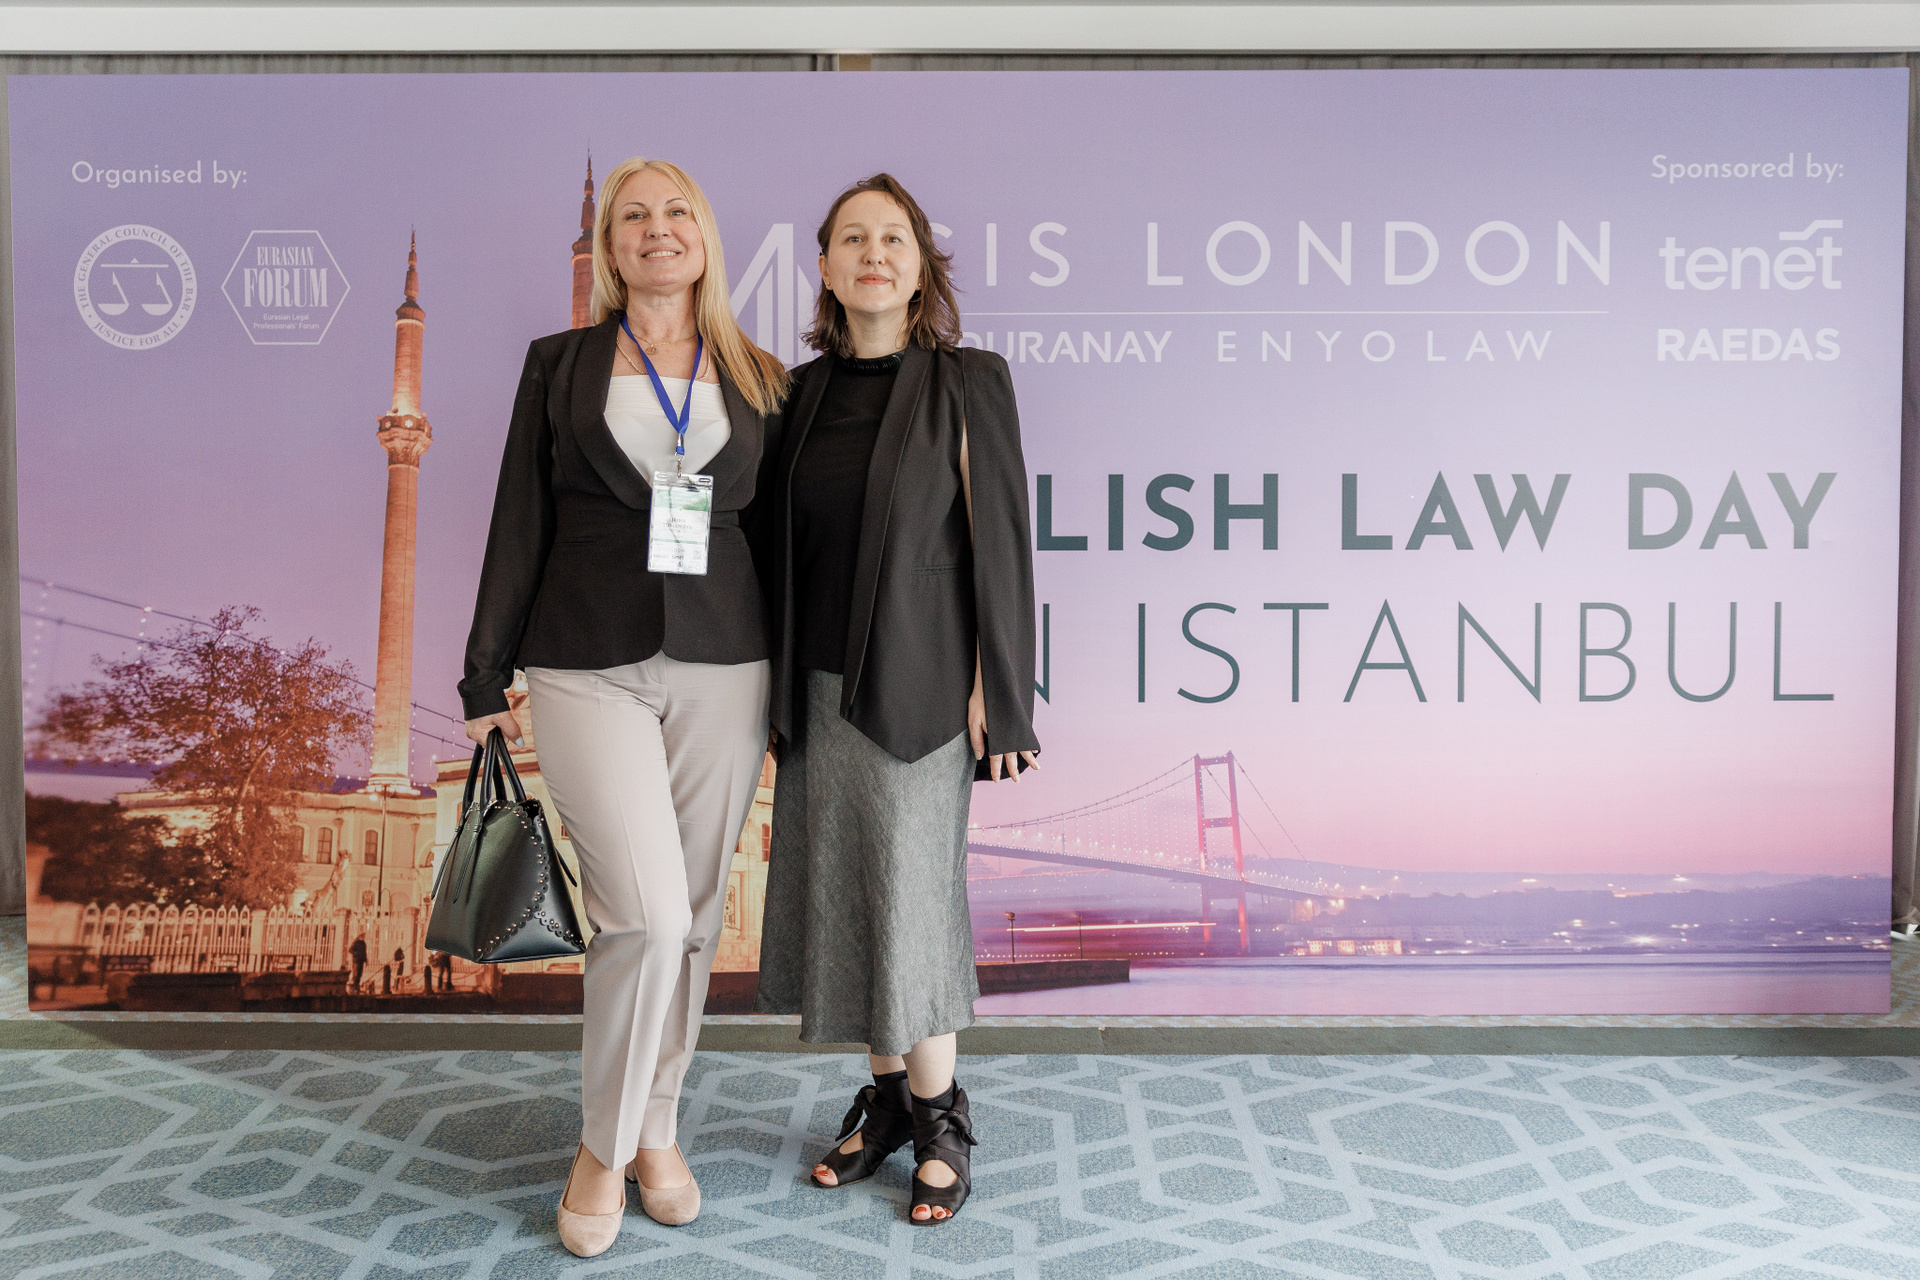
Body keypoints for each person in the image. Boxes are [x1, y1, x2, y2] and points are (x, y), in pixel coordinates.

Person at [459, 156, 787, 1255]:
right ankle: (601, 1149)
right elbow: (517, 517)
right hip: (582, 659)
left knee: (689, 919)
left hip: (726, 662)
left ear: (707, 236)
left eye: (678, 211)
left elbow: (783, 543)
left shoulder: (762, 377)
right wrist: (482, 673)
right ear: (609, 246)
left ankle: (657, 1127)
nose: (658, 229)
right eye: (633, 215)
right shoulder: (557, 365)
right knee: (641, 915)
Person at [754, 174, 1040, 1224]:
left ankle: (939, 1116)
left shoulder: (969, 381)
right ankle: (883, 1103)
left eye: (893, 239)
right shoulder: (794, 394)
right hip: (815, 691)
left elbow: (1000, 542)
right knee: (851, 901)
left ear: (921, 268)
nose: (873, 253)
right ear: (825, 268)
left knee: (912, 905)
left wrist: (1004, 695)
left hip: (922, 689)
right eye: (853, 239)